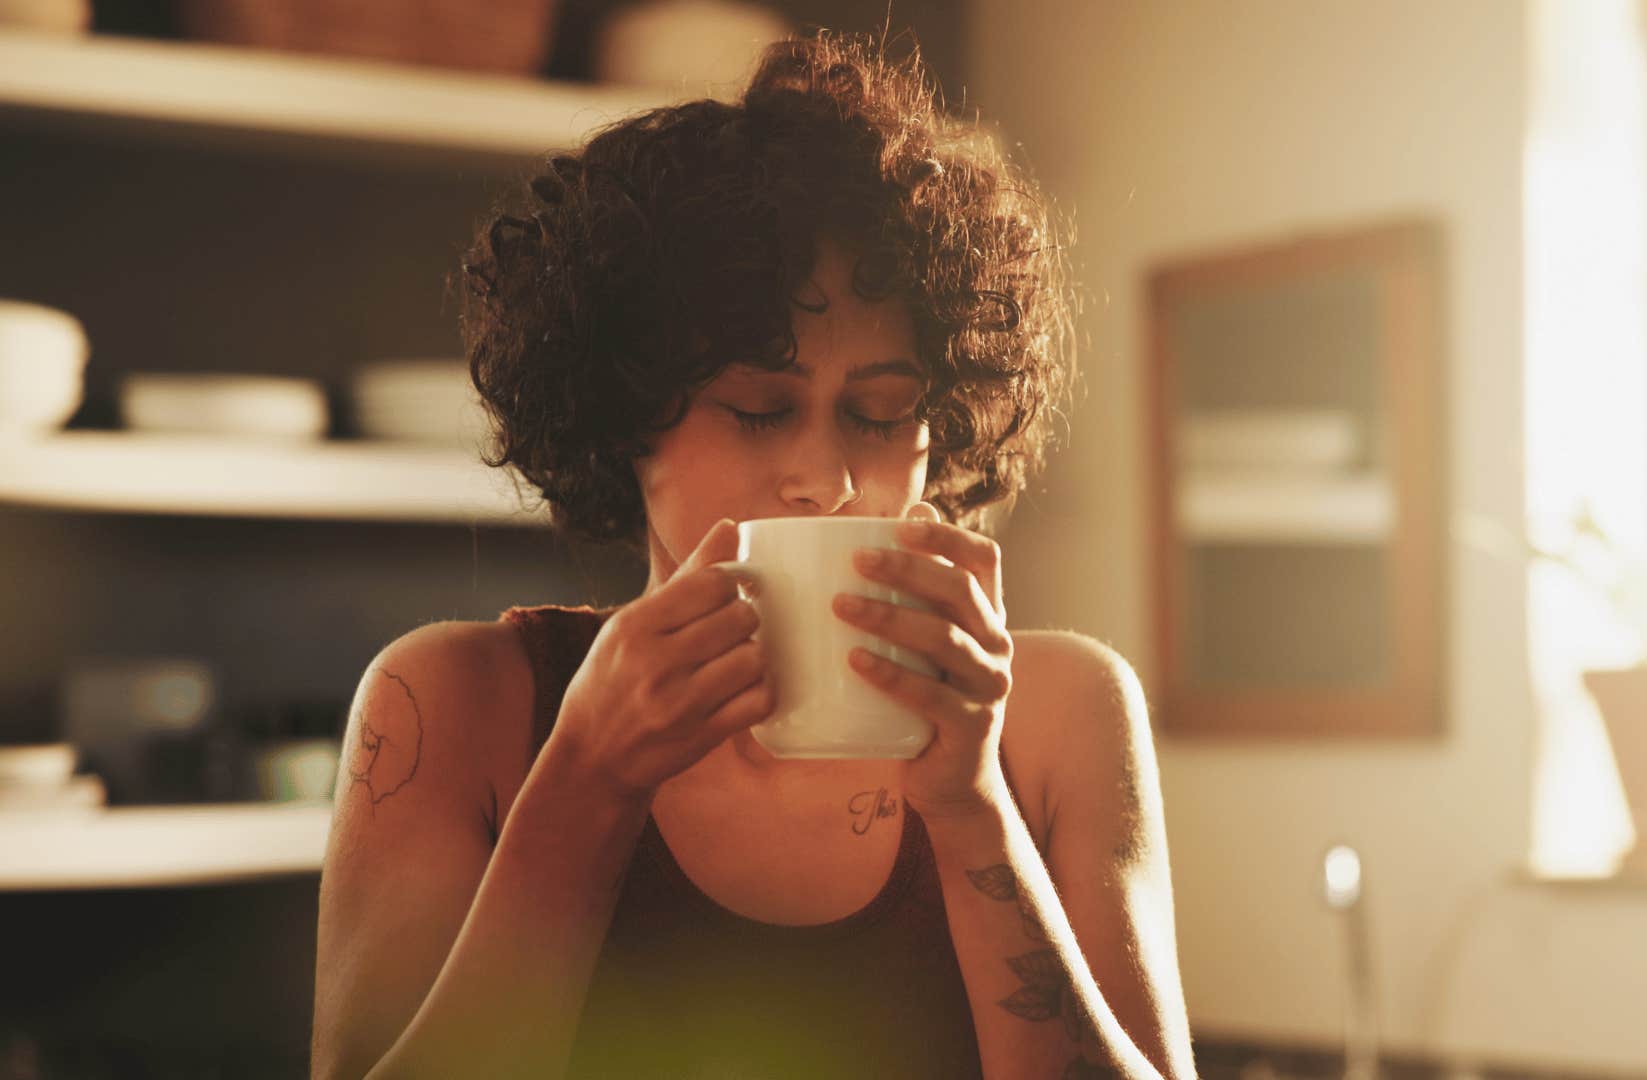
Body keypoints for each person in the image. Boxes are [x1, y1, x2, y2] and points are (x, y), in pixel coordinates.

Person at [311, 29, 1194, 1080]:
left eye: (879, 413)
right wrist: (588, 776)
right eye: (761, 410)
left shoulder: (1059, 718)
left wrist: (970, 808)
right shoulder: (460, 704)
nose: (825, 480)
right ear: (627, 417)